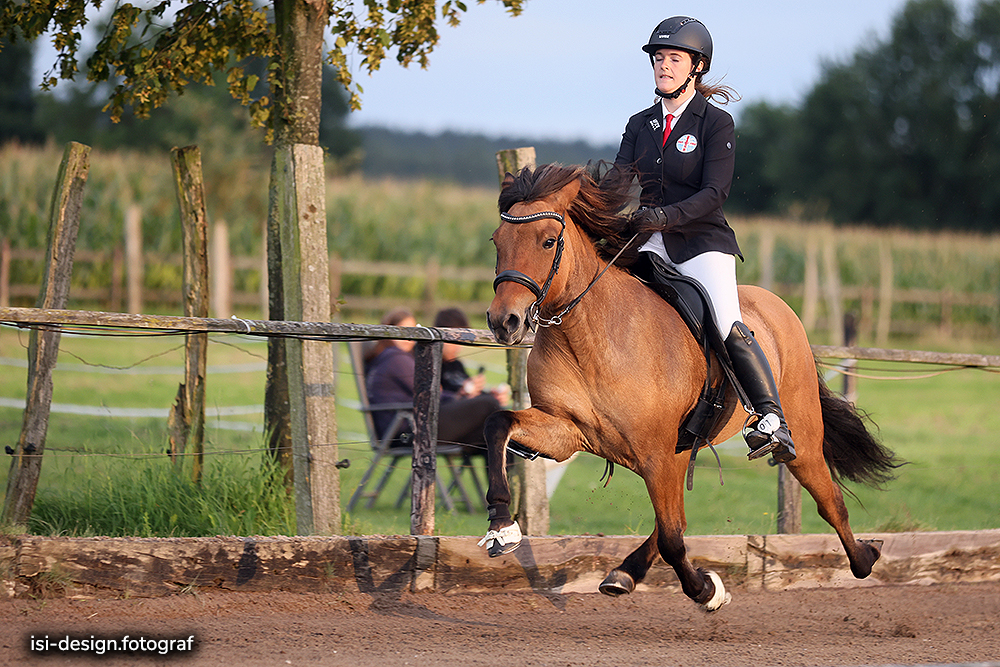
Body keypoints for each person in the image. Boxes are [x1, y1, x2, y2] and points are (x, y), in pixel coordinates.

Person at [612, 16, 795, 464]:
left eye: (674, 58)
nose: (663, 66)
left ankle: (770, 417)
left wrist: (664, 216)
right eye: (658, 58)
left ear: (697, 66)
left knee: (725, 316)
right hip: (649, 239)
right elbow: (615, 183)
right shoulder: (639, 124)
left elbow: (714, 194)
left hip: (701, 242)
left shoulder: (716, 123)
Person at [365, 308, 502, 451]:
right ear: (390, 333)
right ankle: (510, 472)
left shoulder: (387, 358)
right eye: (403, 330)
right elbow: (432, 391)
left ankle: (507, 472)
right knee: (489, 406)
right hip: (407, 431)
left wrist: (459, 395)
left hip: (406, 426)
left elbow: (433, 392)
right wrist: (458, 396)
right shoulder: (396, 358)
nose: (410, 337)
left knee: (492, 432)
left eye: (414, 329)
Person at [432, 307, 511, 406]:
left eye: (460, 342)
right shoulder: (431, 365)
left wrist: (491, 395)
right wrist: (460, 394)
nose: (457, 348)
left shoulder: (456, 365)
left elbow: (471, 395)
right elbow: (438, 399)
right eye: (453, 341)